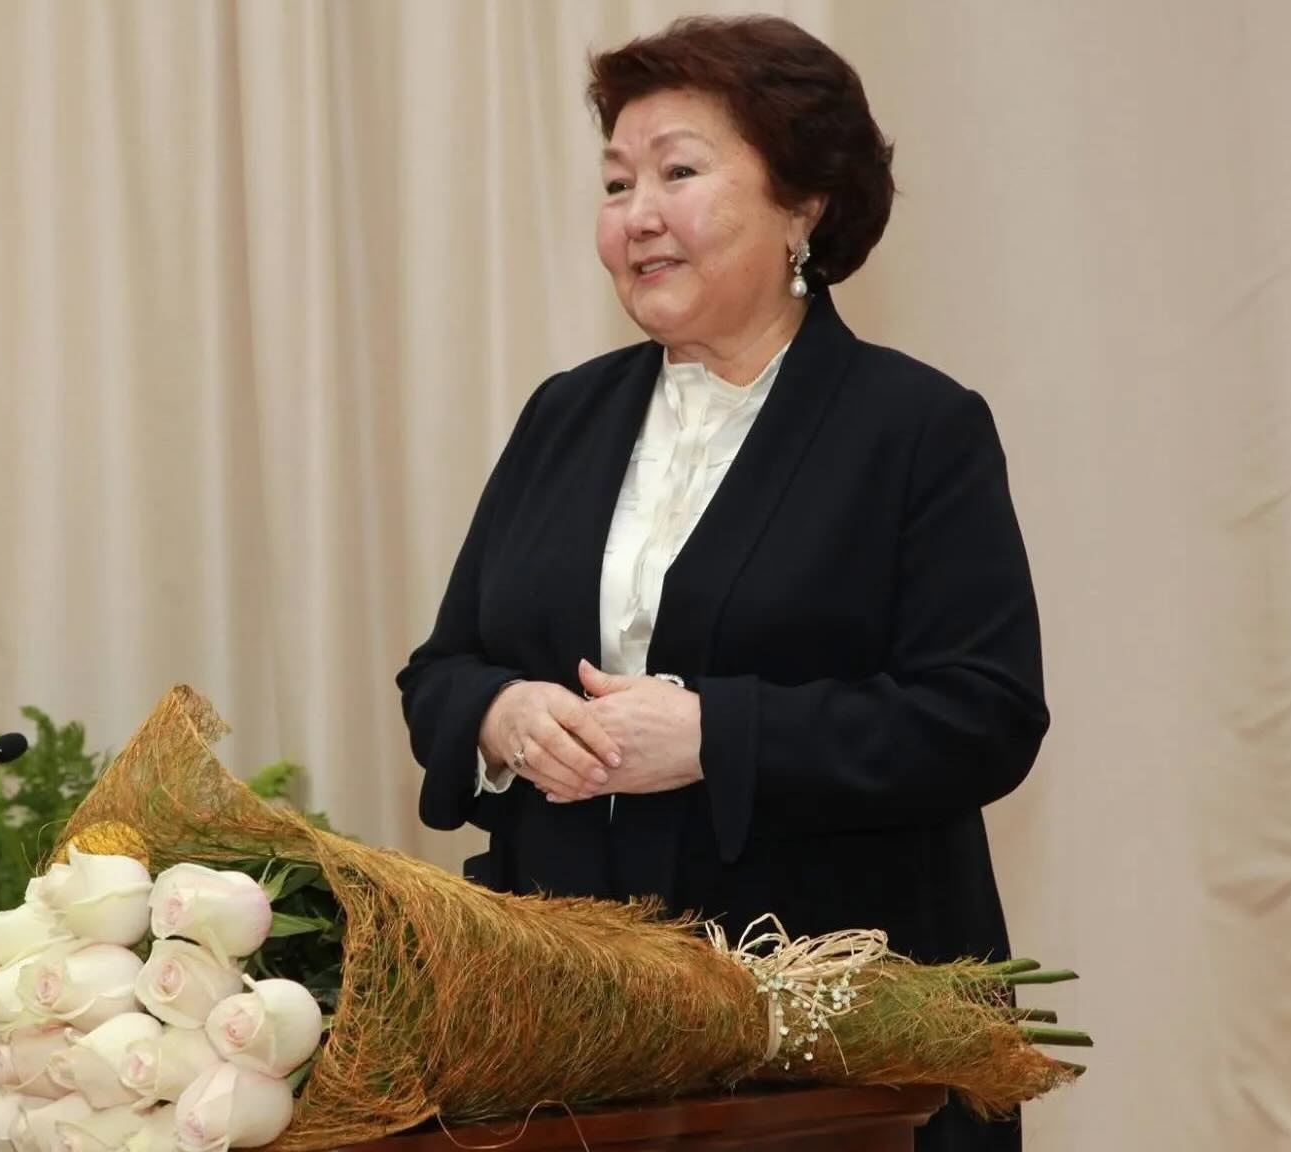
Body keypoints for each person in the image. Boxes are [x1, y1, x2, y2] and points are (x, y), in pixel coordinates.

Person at [396, 15, 1046, 1152]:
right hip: (567, 1036)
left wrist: (713, 736)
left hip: (832, 1049)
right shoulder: (563, 415)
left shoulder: (914, 426)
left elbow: (980, 717)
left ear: (803, 205)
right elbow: (441, 671)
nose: (636, 214)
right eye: (616, 183)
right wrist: (502, 715)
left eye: (678, 173)